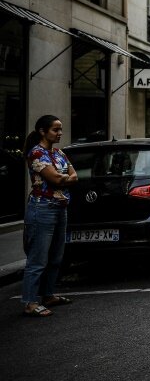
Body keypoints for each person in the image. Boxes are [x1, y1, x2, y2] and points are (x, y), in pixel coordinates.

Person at [20, 115, 78, 317]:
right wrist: (64, 178)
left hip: (60, 207)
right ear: (42, 131)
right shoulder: (36, 153)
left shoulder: (58, 152)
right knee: (38, 259)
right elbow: (54, 178)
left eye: (60, 129)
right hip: (42, 209)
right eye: (55, 129)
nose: (60, 133)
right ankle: (29, 302)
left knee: (55, 257)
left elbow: (74, 176)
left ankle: (48, 295)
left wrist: (63, 179)